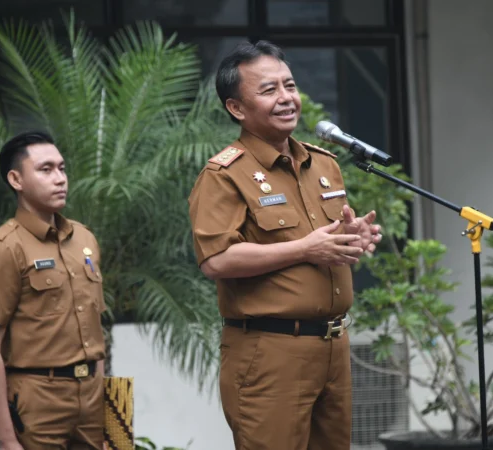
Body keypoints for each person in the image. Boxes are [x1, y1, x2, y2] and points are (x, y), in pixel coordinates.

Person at [188, 41, 382, 450]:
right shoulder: (224, 174)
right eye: (268, 90)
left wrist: (354, 238)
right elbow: (216, 260)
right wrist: (304, 249)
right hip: (270, 352)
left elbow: (326, 243)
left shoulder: (323, 164)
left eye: (289, 85)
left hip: (333, 346)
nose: (286, 98)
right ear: (237, 108)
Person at [0, 131, 106, 450]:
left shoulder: (84, 240)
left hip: (93, 396)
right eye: (45, 170)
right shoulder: (4, 248)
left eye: (62, 168)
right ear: (16, 179)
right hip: (38, 400)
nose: (60, 179)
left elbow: (94, 328)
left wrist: (107, 415)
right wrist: (6, 439)